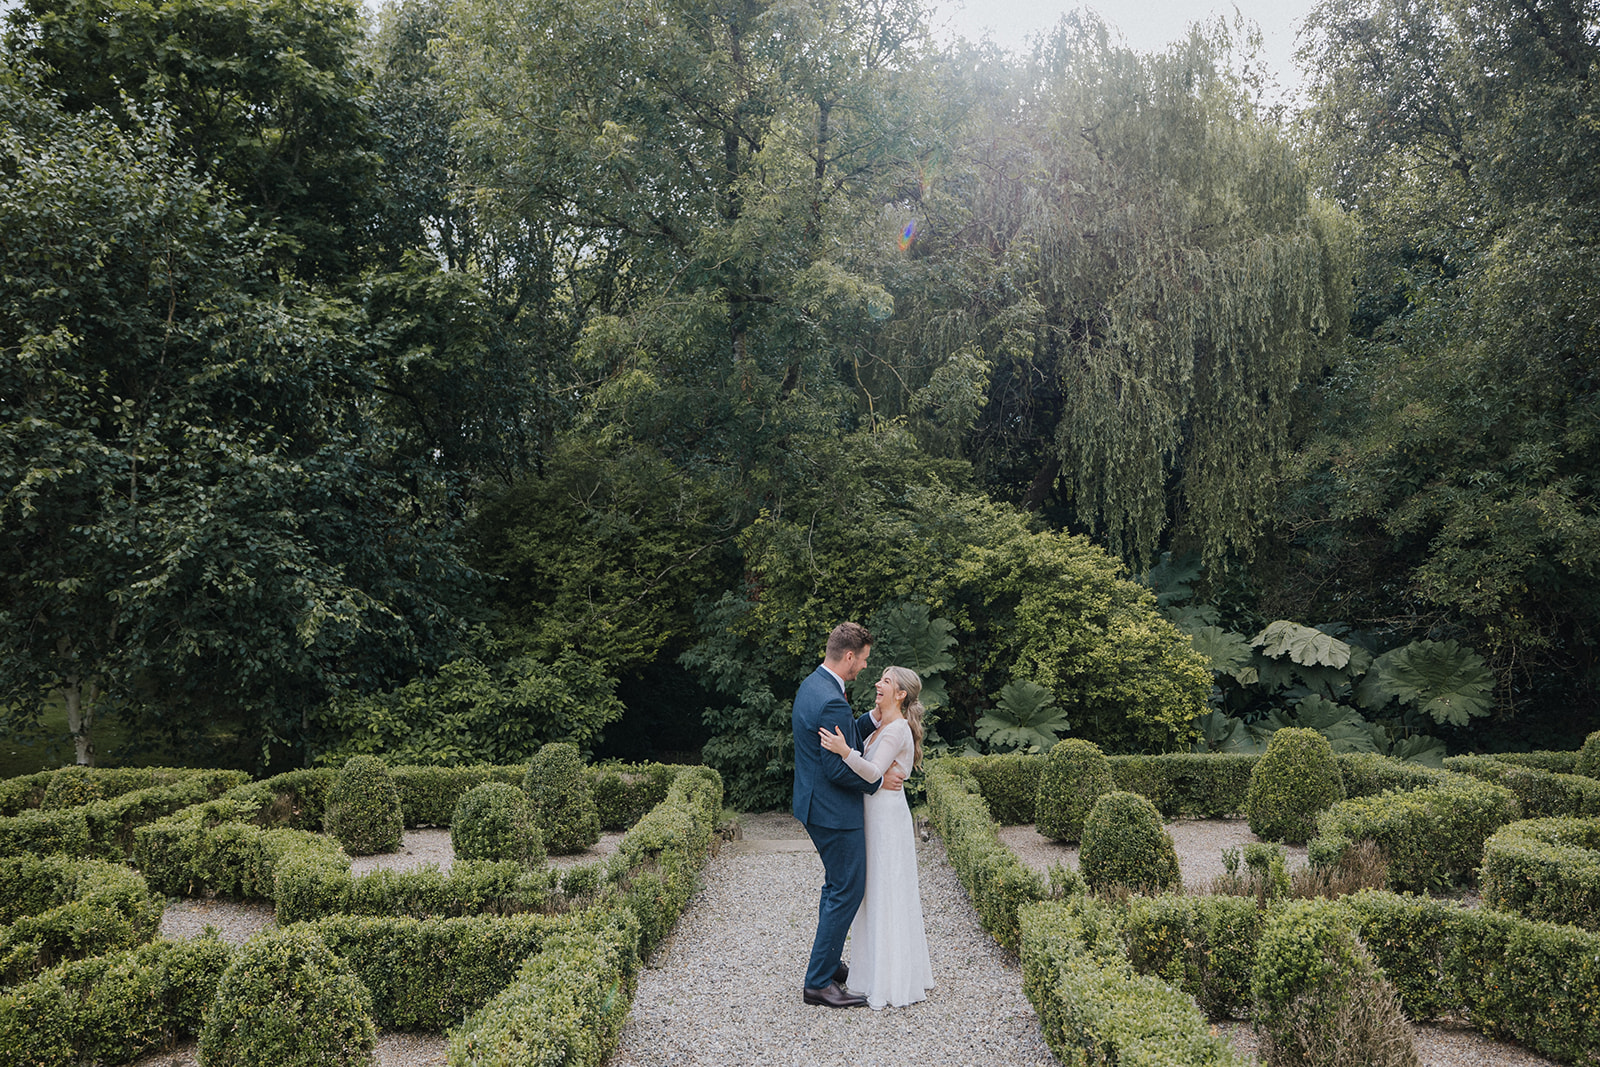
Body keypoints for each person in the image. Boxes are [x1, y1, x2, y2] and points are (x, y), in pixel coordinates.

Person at [791, 622, 906, 1008]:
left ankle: (827, 962)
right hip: (833, 810)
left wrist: (873, 718)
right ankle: (819, 982)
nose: (865, 670)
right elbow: (837, 768)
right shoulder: (832, 699)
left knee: (835, 886)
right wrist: (878, 782)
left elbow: (844, 742)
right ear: (850, 656)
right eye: (864, 661)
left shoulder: (814, 685)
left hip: (813, 804)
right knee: (847, 889)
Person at [819, 665, 936, 1009]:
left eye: (886, 681)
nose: (877, 683)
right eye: (880, 678)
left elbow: (871, 770)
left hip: (885, 818)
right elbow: (876, 773)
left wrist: (843, 750)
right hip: (872, 813)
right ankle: (871, 971)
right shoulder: (881, 725)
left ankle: (891, 978)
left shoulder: (897, 729)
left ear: (901, 694)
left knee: (887, 890)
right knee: (871, 891)